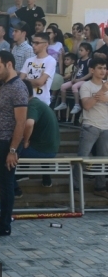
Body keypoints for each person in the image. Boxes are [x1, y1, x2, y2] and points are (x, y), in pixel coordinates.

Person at [0, 51, 29, 237]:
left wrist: (13, 150)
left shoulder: (18, 88)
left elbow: (21, 122)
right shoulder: (5, 86)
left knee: (5, 184)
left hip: (6, 143)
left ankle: (4, 224)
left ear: (9, 64)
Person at [13, 80, 60, 194]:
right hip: (51, 148)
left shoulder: (32, 105)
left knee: (9, 151)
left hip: (42, 150)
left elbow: (29, 124)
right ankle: (45, 178)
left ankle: (15, 187)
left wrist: (25, 141)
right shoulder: (39, 103)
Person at [75, 58, 108, 198]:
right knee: (82, 157)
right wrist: (101, 92)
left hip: (105, 126)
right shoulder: (86, 86)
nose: (103, 71)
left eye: (105, 68)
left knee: (103, 159)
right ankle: (76, 187)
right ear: (92, 70)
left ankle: (100, 187)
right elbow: (87, 105)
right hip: (90, 126)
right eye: (100, 68)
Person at [20, 32, 57, 107]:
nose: (33, 45)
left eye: (37, 43)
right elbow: (20, 82)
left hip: (42, 103)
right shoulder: (29, 60)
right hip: (26, 101)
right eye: (33, 43)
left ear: (46, 44)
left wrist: (27, 80)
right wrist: (35, 82)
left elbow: (40, 82)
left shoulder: (51, 61)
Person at [56, 43, 92, 115]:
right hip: (77, 79)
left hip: (84, 81)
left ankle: (77, 104)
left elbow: (90, 74)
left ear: (87, 51)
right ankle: (63, 103)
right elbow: (76, 71)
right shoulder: (79, 60)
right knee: (63, 86)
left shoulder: (89, 61)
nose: (79, 52)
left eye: (81, 50)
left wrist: (80, 79)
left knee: (74, 86)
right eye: (79, 50)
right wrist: (74, 78)